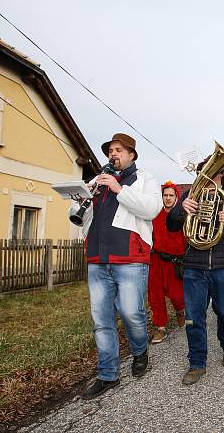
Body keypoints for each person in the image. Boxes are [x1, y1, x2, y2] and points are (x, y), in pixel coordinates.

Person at [70, 133, 161, 400]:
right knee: (101, 321)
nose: (113, 154)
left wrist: (119, 189)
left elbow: (151, 209)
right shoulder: (97, 181)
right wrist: (80, 197)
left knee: (132, 313)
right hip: (98, 259)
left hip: (130, 258)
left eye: (119, 150)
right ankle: (107, 374)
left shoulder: (144, 179)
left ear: (132, 154)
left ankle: (139, 349)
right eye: (110, 150)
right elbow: (77, 215)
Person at [167, 157, 224, 385]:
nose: (203, 174)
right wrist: (180, 210)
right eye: (202, 170)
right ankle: (196, 362)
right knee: (193, 317)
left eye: (209, 170)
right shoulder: (191, 195)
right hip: (194, 264)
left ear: (221, 172)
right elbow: (171, 224)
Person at [148, 181, 187, 344]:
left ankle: (180, 311)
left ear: (176, 197)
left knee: (177, 296)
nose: (168, 198)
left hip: (174, 262)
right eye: (165, 195)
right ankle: (160, 328)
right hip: (156, 260)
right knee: (155, 295)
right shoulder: (154, 215)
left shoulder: (182, 216)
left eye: (171, 195)